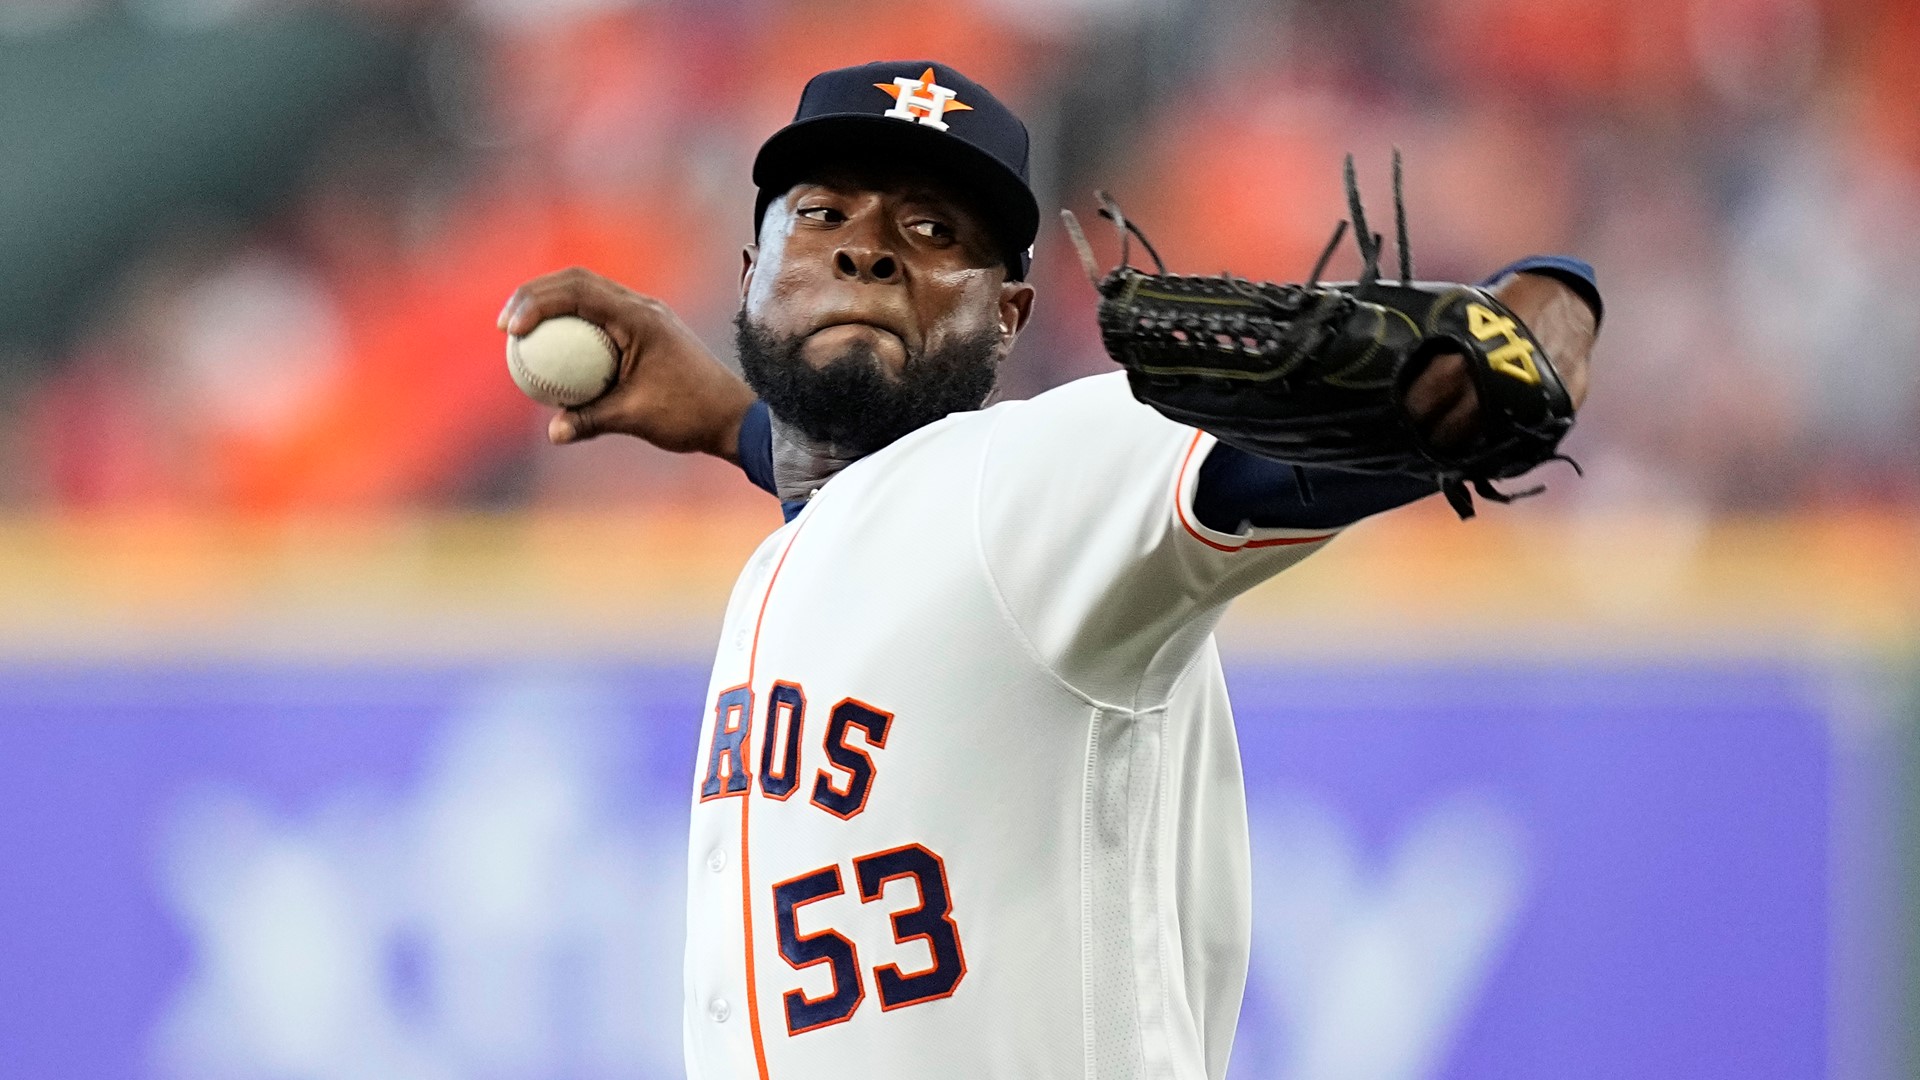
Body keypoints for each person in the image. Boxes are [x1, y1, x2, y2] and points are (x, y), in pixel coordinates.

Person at [497, 61, 1599, 1080]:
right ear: (749, 274)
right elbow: (867, 519)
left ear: (1008, 316)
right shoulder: (831, 541)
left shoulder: (1034, 481)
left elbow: (1323, 439)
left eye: (932, 231)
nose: (869, 248)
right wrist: (739, 427)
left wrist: (1533, 316)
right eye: (825, 213)